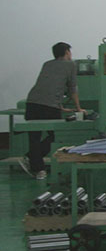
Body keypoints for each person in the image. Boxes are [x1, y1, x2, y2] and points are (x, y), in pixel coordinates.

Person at [19, 42, 83, 179]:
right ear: (67, 52)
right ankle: (32, 158)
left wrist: (59, 106)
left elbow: (47, 86)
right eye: (70, 52)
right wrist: (79, 108)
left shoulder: (47, 64)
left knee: (34, 137)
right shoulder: (71, 65)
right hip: (49, 106)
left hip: (32, 103)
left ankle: (38, 169)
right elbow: (73, 89)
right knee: (57, 136)